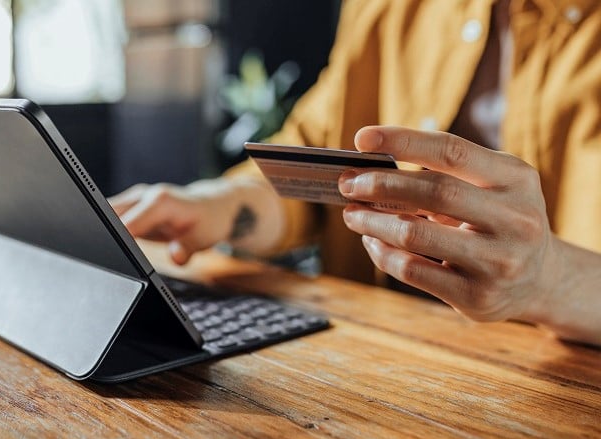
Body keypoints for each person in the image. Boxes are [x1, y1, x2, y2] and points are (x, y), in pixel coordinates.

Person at [109, 0, 601, 346]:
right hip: (374, 365)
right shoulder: (386, 8)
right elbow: (316, 154)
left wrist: (550, 278)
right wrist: (219, 205)